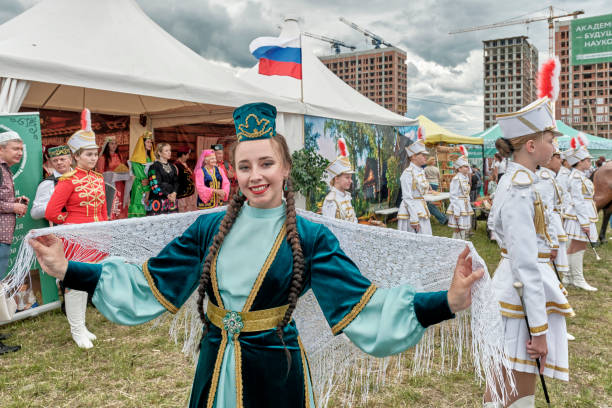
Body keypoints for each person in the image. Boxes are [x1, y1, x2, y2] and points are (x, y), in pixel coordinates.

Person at [30, 102, 484, 407]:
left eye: (266, 164)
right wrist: (69, 269)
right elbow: (151, 282)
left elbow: (363, 305)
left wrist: (446, 303)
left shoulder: (309, 236)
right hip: (214, 363)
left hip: (277, 371)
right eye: (244, 166)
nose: (255, 175)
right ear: (233, 172)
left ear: (285, 168)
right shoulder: (208, 227)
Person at [485, 98, 573, 408]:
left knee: (511, 385)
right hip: (519, 297)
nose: (554, 147)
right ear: (532, 146)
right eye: (550, 140)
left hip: (514, 290)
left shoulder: (517, 181)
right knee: (515, 387)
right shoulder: (520, 187)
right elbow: (524, 265)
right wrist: (539, 330)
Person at [45, 108, 108, 349]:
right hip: (75, 238)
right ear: (77, 155)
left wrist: (105, 232)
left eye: (95, 154)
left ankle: (82, 325)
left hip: (96, 237)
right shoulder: (68, 180)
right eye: (89, 155)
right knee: (74, 283)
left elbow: (102, 210)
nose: (93, 158)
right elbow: (52, 212)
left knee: (88, 281)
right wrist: (70, 224)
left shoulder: (99, 178)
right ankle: (76, 330)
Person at [0, 124, 28, 355]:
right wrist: (14, 206)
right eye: (15, 148)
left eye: (21, 149)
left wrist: (15, 201)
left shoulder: (5, 169)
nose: (19, 152)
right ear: (1, 150)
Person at [563, 138, 598, 291]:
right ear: (580, 162)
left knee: (575, 247)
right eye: (587, 160)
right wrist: (585, 223)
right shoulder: (576, 178)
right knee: (579, 246)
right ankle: (578, 278)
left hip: (579, 216)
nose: (590, 162)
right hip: (579, 217)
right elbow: (578, 201)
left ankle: (569, 276)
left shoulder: (579, 176)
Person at [535, 140, 569, 283]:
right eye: (557, 157)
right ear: (548, 159)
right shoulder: (544, 178)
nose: (561, 161)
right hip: (548, 227)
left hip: (554, 222)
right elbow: (545, 212)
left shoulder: (549, 177)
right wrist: (553, 243)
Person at [398, 137, 432, 234]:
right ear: (413, 156)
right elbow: (407, 197)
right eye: (422, 155)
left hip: (422, 208)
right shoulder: (407, 173)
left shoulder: (420, 171)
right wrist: (414, 219)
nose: (425, 157)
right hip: (411, 212)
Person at [31, 145, 73, 221]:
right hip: (60, 228)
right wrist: (55, 204)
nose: (59, 162)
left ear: (70, 160)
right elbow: (35, 213)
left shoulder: (82, 178)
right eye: (55, 160)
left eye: (62, 159)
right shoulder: (47, 183)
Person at [321, 138, 357, 222]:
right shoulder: (331, 201)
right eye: (347, 177)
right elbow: (330, 230)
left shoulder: (347, 197)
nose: (350, 181)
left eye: (350, 177)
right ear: (336, 179)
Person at [97, 136, 129, 219]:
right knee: (112, 204)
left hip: (120, 185)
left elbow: (123, 168)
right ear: (107, 145)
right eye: (111, 144)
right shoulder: (102, 158)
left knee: (120, 203)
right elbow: (100, 174)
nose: (114, 146)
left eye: (115, 144)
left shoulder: (119, 156)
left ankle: (121, 220)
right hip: (110, 185)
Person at [447, 149, 473, 240]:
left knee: (463, 227)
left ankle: (461, 242)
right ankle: (455, 243)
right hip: (458, 205)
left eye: (467, 166)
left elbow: (467, 194)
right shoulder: (456, 179)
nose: (467, 168)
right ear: (459, 168)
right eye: (465, 166)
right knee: (458, 228)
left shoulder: (465, 178)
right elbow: (453, 196)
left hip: (465, 205)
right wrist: (456, 211)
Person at [127, 131, 155, 218]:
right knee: (139, 211)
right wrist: (147, 192)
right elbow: (142, 178)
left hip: (150, 187)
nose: (150, 144)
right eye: (148, 142)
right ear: (142, 143)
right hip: (140, 188)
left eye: (151, 142)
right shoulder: (136, 159)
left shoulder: (151, 158)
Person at [147, 143, 179, 216]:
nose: (169, 152)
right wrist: (167, 195)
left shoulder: (172, 167)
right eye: (166, 151)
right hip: (158, 200)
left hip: (172, 200)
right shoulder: (154, 166)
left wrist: (174, 193)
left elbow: (176, 182)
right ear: (159, 153)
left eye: (170, 150)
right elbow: (154, 186)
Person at [174, 146, 197, 213]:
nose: (188, 157)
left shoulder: (185, 164)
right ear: (183, 155)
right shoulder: (176, 165)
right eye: (187, 155)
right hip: (182, 196)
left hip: (190, 195)